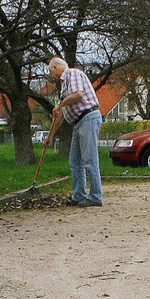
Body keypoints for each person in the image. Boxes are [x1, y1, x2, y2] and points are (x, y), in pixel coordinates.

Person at [44, 57, 103, 207]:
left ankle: (96, 197)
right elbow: (61, 114)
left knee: (89, 159)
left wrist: (60, 104)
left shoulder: (72, 74)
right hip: (78, 123)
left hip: (88, 118)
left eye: (51, 72)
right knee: (75, 161)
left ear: (56, 67)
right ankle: (79, 195)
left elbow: (78, 94)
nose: (52, 75)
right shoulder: (64, 87)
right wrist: (50, 136)